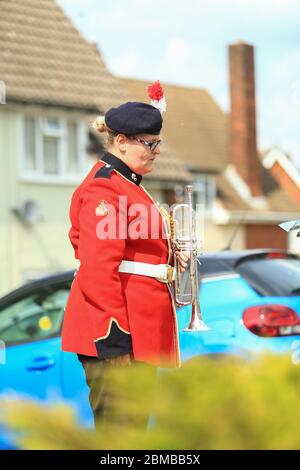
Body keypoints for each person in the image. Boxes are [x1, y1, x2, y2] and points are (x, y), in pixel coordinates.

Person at [61, 97, 189, 428]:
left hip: (137, 331)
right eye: (149, 143)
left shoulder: (126, 185)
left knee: (132, 433)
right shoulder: (105, 189)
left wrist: (173, 256)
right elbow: (98, 271)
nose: (156, 150)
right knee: (119, 436)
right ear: (121, 142)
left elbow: (133, 252)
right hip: (117, 333)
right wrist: (114, 342)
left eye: (156, 142)